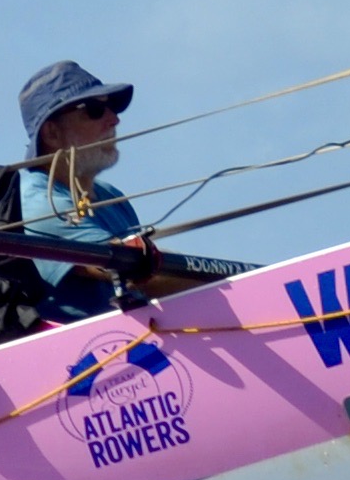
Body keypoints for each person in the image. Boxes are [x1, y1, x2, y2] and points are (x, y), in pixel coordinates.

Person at [12, 59, 234, 303]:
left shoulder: (111, 197)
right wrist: (243, 284)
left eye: (113, 108)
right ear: (52, 133)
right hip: (91, 340)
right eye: (94, 110)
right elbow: (138, 272)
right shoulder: (35, 201)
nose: (114, 120)